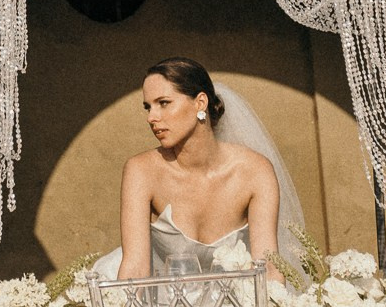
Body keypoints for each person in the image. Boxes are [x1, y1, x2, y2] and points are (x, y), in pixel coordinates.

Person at [110, 56, 296, 279]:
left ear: (200, 103)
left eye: (164, 103)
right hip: (162, 298)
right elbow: (136, 268)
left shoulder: (255, 171)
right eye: (148, 107)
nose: (152, 117)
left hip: (229, 304)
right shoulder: (141, 171)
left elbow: (269, 266)